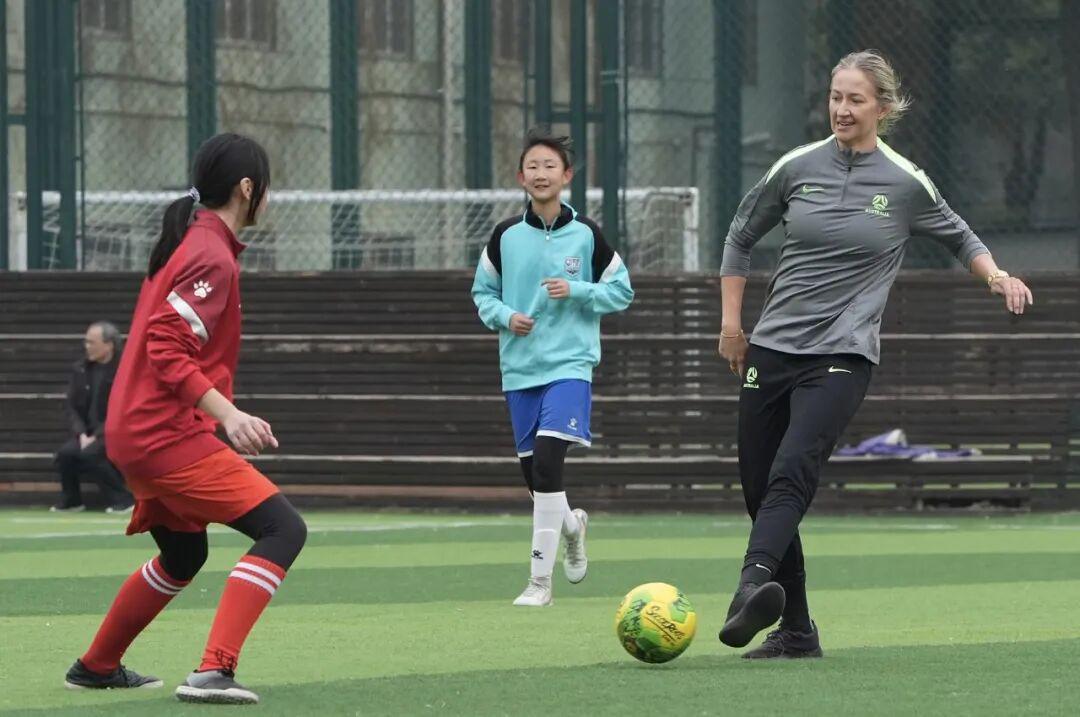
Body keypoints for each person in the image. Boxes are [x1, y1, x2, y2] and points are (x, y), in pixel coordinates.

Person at [715, 50, 1034, 658]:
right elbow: (740, 236)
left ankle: (749, 587)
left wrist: (996, 277)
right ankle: (797, 631)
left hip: (843, 354)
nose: (842, 108)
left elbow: (961, 235)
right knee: (759, 487)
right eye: (836, 97)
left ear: (883, 108)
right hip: (771, 348)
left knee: (791, 470)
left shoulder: (905, 182)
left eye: (855, 99)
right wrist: (732, 326)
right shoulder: (795, 167)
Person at [64, 133, 307, 705]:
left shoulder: (191, 241)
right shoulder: (209, 254)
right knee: (284, 529)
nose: (269, 195)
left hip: (136, 431)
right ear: (247, 188)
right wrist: (229, 415)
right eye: (266, 185)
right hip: (163, 435)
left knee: (184, 555)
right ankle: (213, 671)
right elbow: (165, 347)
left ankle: (96, 665)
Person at [471, 127, 634, 607]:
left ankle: (539, 582)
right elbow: (482, 294)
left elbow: (621, 291)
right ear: (520, 177)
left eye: (550, 166)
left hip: (570, 366)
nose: (541, 174)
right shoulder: (504, 236)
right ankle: (572, 528)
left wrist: (577, 290)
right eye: (533, 166)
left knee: (547, 461)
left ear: (567, 176)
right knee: (537, 479)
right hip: (519, 370)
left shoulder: (586, 235)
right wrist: (506, 317)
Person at [51, 321, 133, 513]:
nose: (87, 346)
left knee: (91, 454)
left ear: (109, 345)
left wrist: (96, 435)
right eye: (86, 342)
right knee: (65, 454)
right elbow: (71, 405)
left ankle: (123, 500)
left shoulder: (124, 371)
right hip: (86, 433)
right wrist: (81, 433)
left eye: (92, 342)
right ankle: (72, 501)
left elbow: (122, 409)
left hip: (115, 432)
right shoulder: (81, 369)